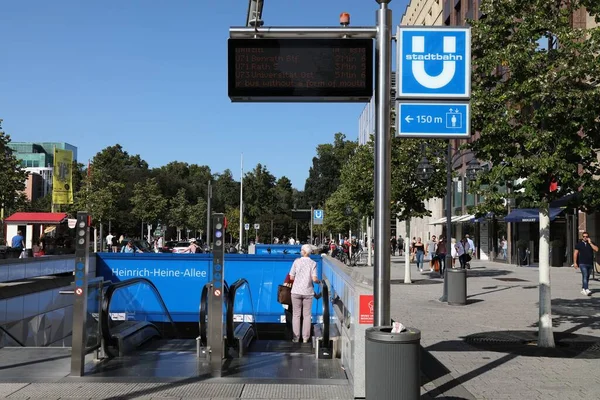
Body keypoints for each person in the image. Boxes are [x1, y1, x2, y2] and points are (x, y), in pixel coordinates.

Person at [288, 244, 320, 343]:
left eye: (302, 250)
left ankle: (296, 337)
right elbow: (314, 279)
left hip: (296, 291)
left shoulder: (296, 262)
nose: (301, 251)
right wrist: (319, 282)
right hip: (308, 292)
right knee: (307, 315)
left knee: (296, 315)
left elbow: (291, 277)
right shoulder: (313, 263)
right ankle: (305, 338)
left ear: (304, 252)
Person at [573, 232, 598, 296]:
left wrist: (590, 243)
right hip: (582, 263)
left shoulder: (591, 243)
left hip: (590, 263)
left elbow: (596, 249)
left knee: (587, 277)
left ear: (588, 237)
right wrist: (575, 263)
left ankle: (584, 289)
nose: (585, 238)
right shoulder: (579, 244)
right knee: (585, 275)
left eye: (586, 236)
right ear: (582, 237)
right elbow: (575, 253)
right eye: (584, 236)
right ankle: (586, 289)